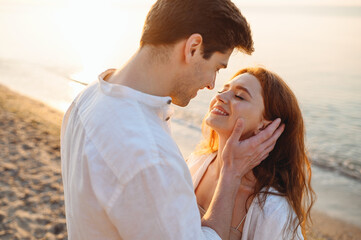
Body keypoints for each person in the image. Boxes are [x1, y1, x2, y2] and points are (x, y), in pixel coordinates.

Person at [60, 0, 284, 239]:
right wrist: (231, 174)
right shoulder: (149, 157)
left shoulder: (87, 97)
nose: (212, 84)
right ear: (193, 48)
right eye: (217, 67)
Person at [188, 67, 315, 240]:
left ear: (265, 125)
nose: (219, 97)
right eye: (222, 90)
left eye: (239, 96)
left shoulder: (272, 210)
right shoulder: (195, 164)